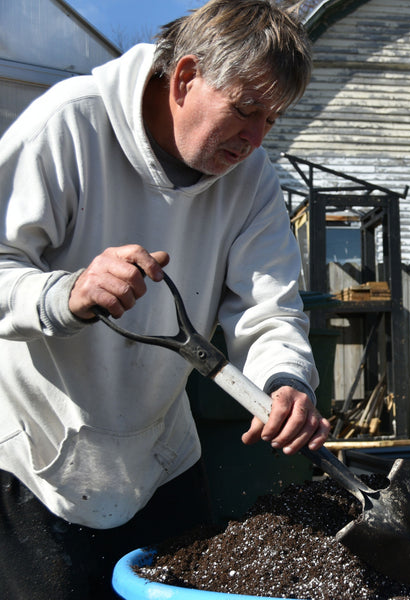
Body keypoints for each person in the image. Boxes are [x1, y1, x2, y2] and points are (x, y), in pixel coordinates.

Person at [0, 1, 330, 597]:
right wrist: (64, 292)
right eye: (246, 109)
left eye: (271, 121)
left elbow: (269, 307)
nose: (255, 138)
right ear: (184, 78)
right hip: (35, 468)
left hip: (162, 461)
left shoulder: (252, 179)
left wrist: (287, 380)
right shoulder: (67, 125)